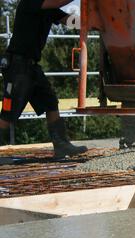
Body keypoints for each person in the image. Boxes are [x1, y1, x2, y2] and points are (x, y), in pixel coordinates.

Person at [0, 0, 87, 159]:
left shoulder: (49, 8)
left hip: (31, 66)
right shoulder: (32, 2)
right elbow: (59, 2)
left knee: (50, 102)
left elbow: (70, 21)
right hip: (17, 66)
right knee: (8, 113)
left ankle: (62, 145)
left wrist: (97, 25)